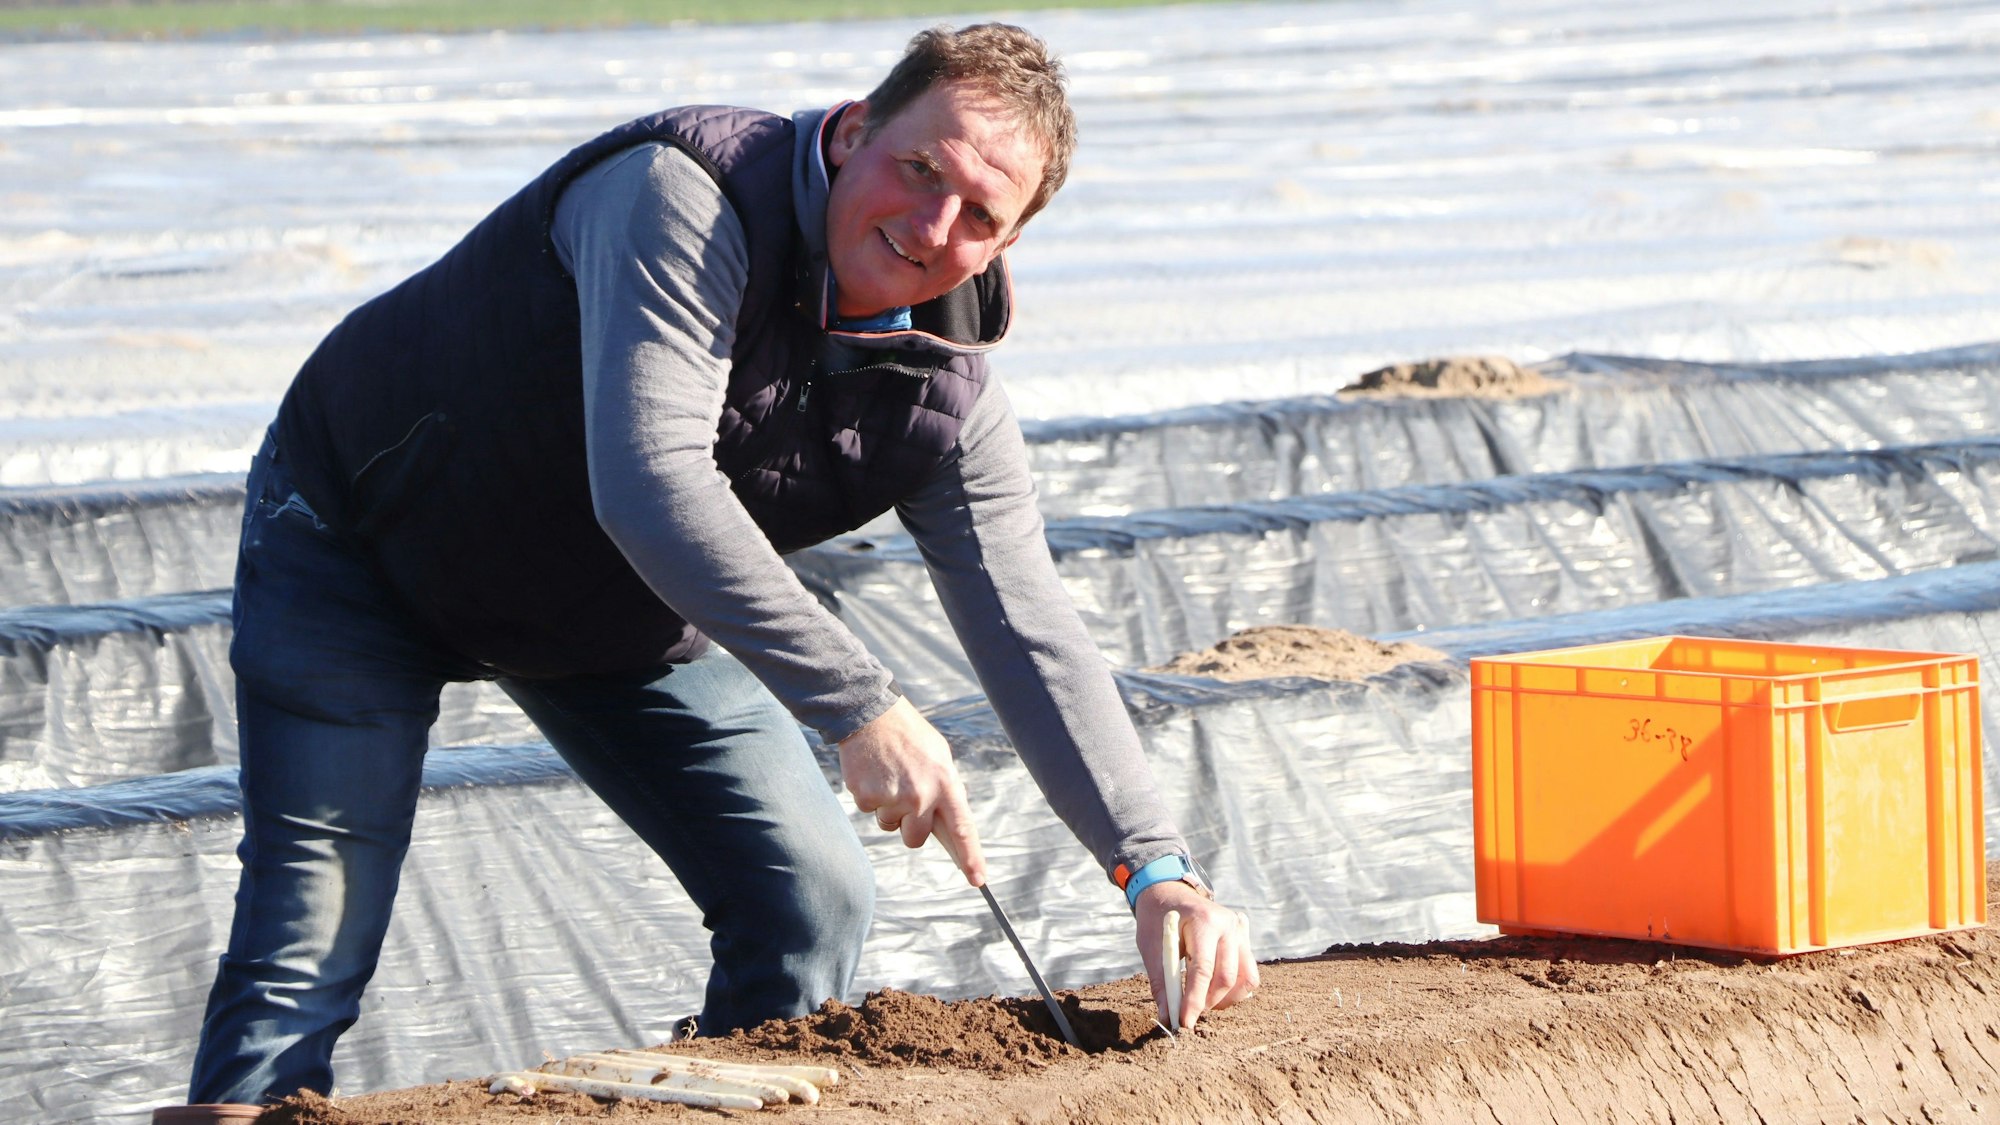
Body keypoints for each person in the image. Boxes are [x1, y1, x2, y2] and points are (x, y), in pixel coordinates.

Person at [166, 22, 1257, 1120]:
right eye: (917, 169)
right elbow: (652, 485)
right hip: (363, 542)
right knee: (307, 946)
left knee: (809, 898)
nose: (930, 225)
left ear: (1007, 243)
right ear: (848, 133)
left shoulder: (942, 401)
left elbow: (1030, 632)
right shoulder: (682, 196)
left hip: (610, 609)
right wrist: (862, 706)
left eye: (979, 214)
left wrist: (1153, 867)